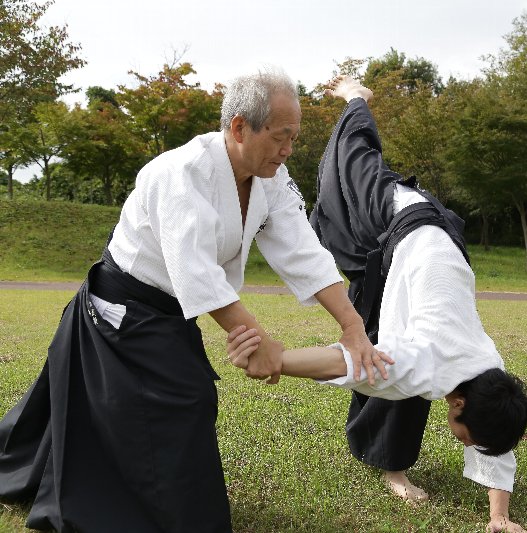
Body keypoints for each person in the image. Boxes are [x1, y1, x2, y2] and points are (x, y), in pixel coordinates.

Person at [0, 68, 389, 533]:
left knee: (175, 397)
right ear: (241, 127)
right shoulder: (180, 173)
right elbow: (195, 271)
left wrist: (351, 327)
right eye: (281, 137)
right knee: (184, 397)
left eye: (294, 138)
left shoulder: (269, 178)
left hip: (169, 312)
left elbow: (303, 250)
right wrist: (259, 341)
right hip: (121, 307)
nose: (288, 150)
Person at [227, 75, 527, 533]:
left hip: (432, 250)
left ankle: (391, 461)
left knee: (379, 333)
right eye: (466, 438)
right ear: (459, 405)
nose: (466, 443)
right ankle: (356, 97)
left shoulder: (491, 373)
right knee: (350, 165)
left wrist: (500, 517)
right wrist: (279, 360)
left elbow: (497, 439)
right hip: (401, 214)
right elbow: (346, 362)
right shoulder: (426, 363)